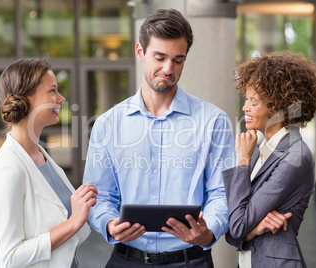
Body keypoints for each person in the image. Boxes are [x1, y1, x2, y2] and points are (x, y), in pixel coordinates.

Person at [83, 8, 234, 267]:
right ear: (140, 52)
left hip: (191, 261)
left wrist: (209, 230)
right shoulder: (108, 124)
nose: (168, 68)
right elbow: (100, 195)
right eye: (160, 57)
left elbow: (222, 192)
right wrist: (109, 224)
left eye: (178, 60)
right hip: (126, 260)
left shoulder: (214, 121)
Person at [0, 58, 98, 268]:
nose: (61, 98)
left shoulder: (41, 155)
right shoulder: (7, 168)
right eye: (53, 91)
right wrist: (73, 222)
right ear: (27, 98)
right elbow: (10, 258)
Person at [222, 51, 316, 268]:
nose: (245, 108)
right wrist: (255, 229)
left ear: (277, 106)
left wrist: (242, 161)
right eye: (246, 99)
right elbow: (232, 231)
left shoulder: (295, 156)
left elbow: (237, 226)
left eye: (253, 102)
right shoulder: (260, 149)